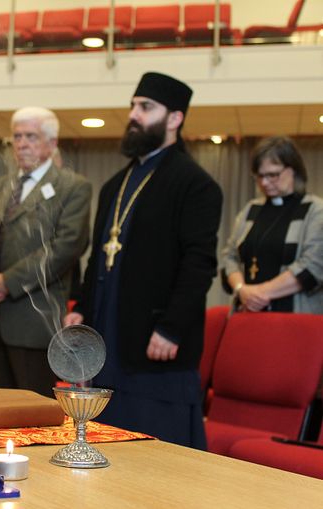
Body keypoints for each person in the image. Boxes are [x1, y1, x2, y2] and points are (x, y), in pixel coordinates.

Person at [63, 72, 223, 448]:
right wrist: (82, 310)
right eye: (133, 105)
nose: (134, 114)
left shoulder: (195, 184)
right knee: (107, 450)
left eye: (146, 107)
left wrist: (172, 328)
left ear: (174, 119)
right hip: (106, 345)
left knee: (156, 459)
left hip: (154, 348)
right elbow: (97, 258)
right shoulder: (113, 186)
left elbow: (199, 264)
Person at [0, 107, 91, 396]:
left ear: (52, 143)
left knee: (34, 417)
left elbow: (65, 247)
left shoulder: (72, 186)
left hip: (33, 321)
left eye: (31, 136)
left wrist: (7, 282)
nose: (22, 144)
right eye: (17, 137)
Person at [221, 136, 323, 313]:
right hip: (247, 314)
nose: (265, 183)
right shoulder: (251, 210)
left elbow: (312, 266)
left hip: (295, 319)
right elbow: (230, 257)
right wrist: (241, 289)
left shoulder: (315, 210)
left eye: (273, 175)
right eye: (259, 176)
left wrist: (257, 293)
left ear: (293, 170)